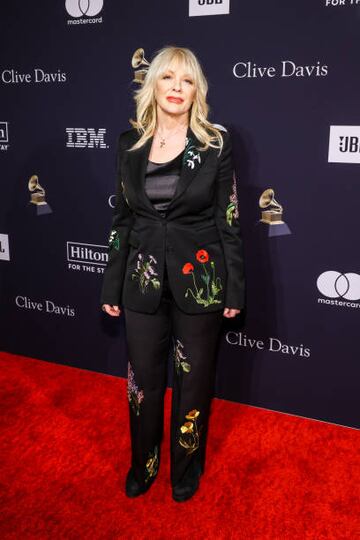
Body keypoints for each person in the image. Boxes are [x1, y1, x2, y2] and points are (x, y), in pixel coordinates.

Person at [101, 45, 245, 502]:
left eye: (186, 80)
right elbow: (122, 219)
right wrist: (112, 280)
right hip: (140, 283)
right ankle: (143, 464)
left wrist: (234, 287)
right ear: (153, 85)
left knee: (193, 382)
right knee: (143, 382)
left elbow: (229, 220)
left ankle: (186, 467)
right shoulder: (129, 144)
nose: (177, 88)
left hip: (198, 280)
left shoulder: (214, 145)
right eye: (168, 78)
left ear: (196, 89)